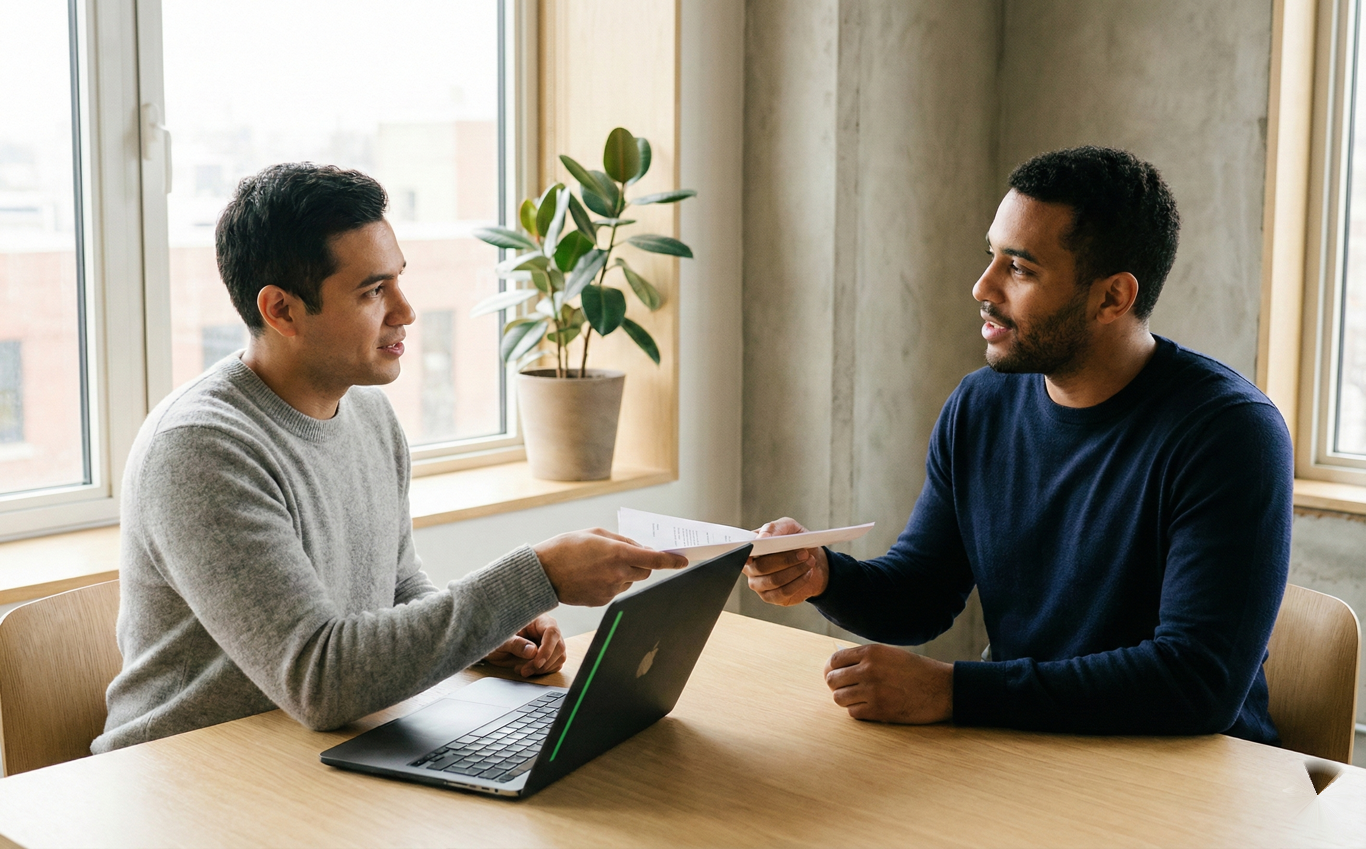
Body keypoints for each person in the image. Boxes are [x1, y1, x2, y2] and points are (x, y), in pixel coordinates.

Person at [93, 164, 684, 754]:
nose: (405, 311)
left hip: (318, 753)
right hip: (186, 772)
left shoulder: (368, 413)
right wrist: (537, 578)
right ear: (281, 310)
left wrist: (487, 633)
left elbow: (397, 588)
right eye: (373, 291)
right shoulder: (200, 449)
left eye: (398, 280)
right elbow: (320, 679)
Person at [743, 146, 1292, 743]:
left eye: (1021, 270)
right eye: (992, 256)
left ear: (1112, 298)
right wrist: (823, 574)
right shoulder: (980, 406)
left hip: (1190, 769)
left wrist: (953, 691)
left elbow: (1196, 684)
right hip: (1028, 744)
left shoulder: (1231, 434)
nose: (983, 286)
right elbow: (921, 595)